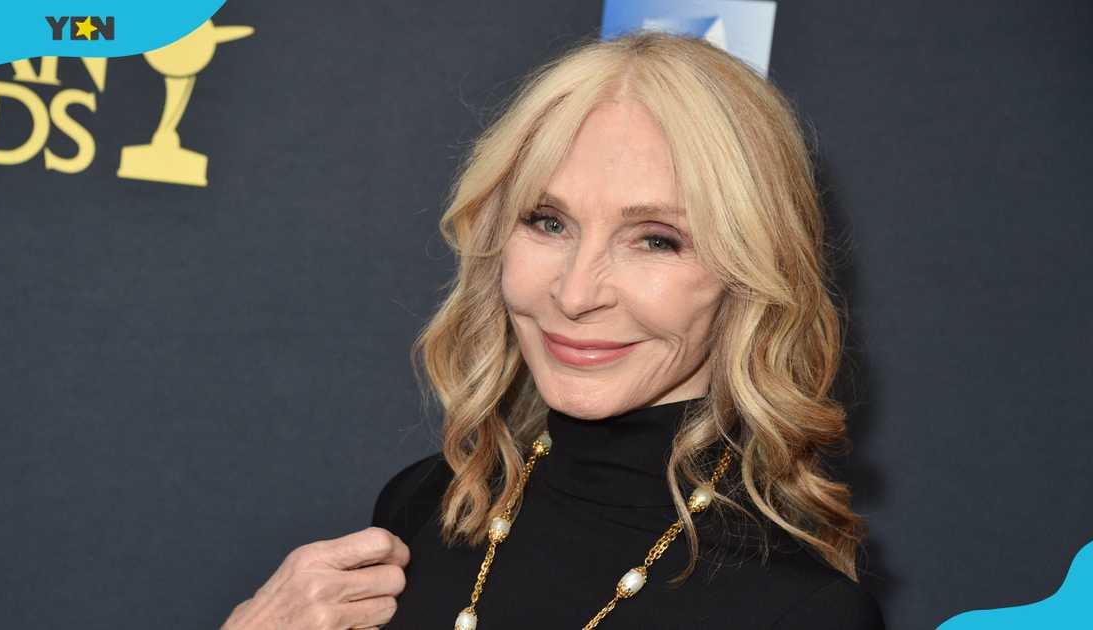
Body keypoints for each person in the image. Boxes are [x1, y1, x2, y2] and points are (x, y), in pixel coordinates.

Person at [221, 31, 885, 629]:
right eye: (548, 222)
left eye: (655, 240)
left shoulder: (800, 614)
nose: (573, 293)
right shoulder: (431, 504)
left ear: (753, 270)